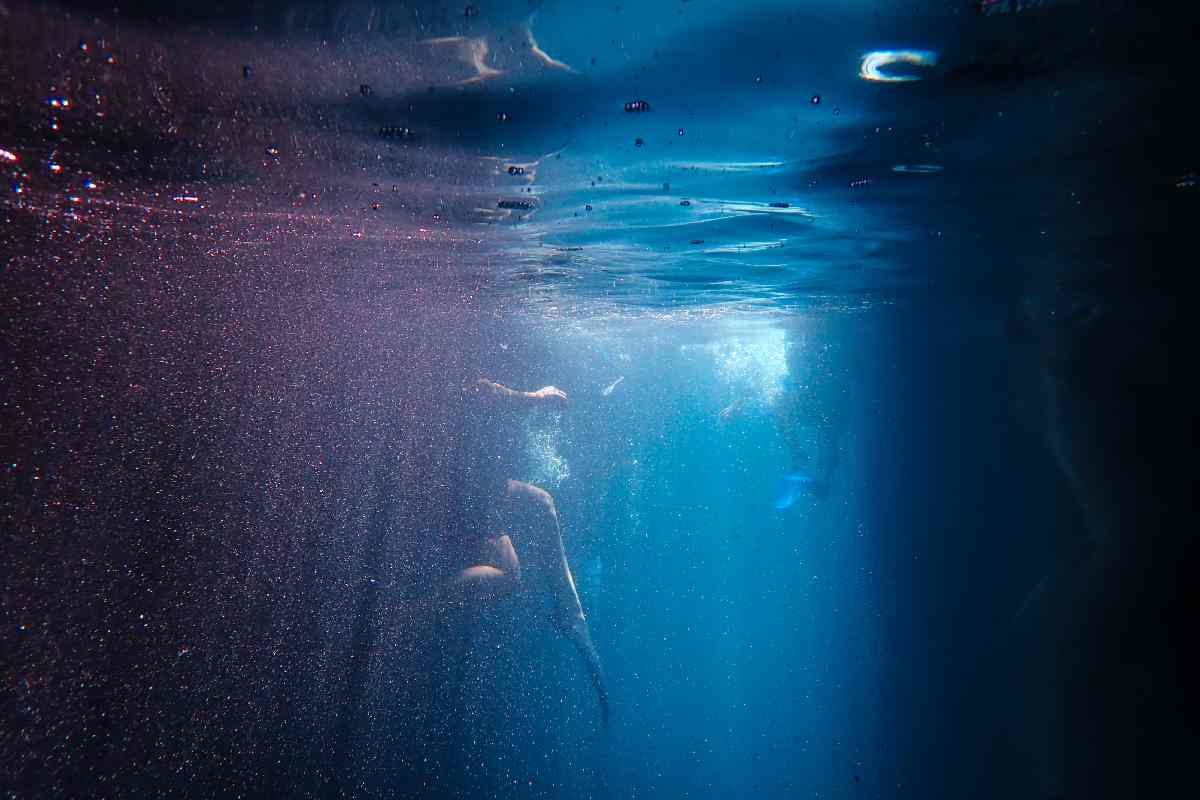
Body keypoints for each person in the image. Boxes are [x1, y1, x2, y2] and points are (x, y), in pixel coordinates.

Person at [443, 377, 609, 722]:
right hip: (461, 483)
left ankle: (571, 610)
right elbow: (478, 390)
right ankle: (417, 610)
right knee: (508, 576)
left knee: (542, 503)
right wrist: (537, 396)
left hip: (479, 481)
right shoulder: (452, 361)